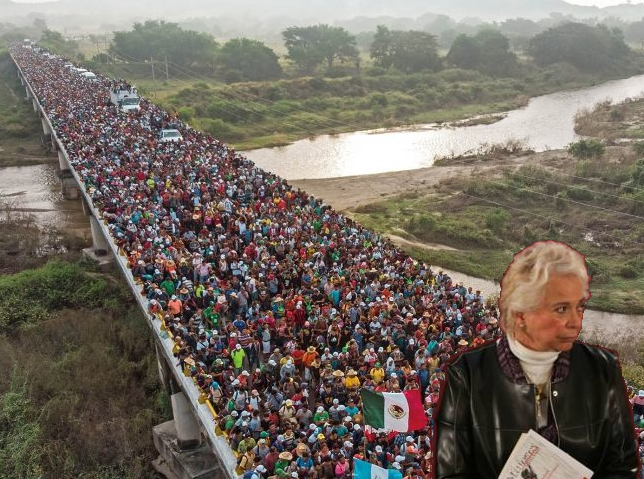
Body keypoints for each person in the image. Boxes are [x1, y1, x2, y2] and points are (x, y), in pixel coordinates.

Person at [434, 241, 639, 477]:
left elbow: (623, 465)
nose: (576, 322)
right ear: (521, 314)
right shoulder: (468, 375)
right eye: (561, 309)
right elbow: (451, 472)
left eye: (580, 307)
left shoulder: (602, 369)